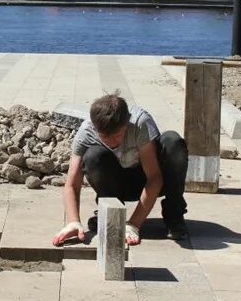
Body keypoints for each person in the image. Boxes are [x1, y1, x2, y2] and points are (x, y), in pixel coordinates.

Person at [52, 93, 188, 248]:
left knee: (173, 142)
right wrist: (73, 221)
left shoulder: (140, 123)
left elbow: (154, 177)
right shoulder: (86, 132)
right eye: (105, 137)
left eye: (117, 135)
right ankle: (110, 212)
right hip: (118, 183)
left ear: (126, 124)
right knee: (93, 156)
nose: (112, 142)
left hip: (149, 180)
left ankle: (174, 216)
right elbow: (71, 184)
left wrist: (134, 224)